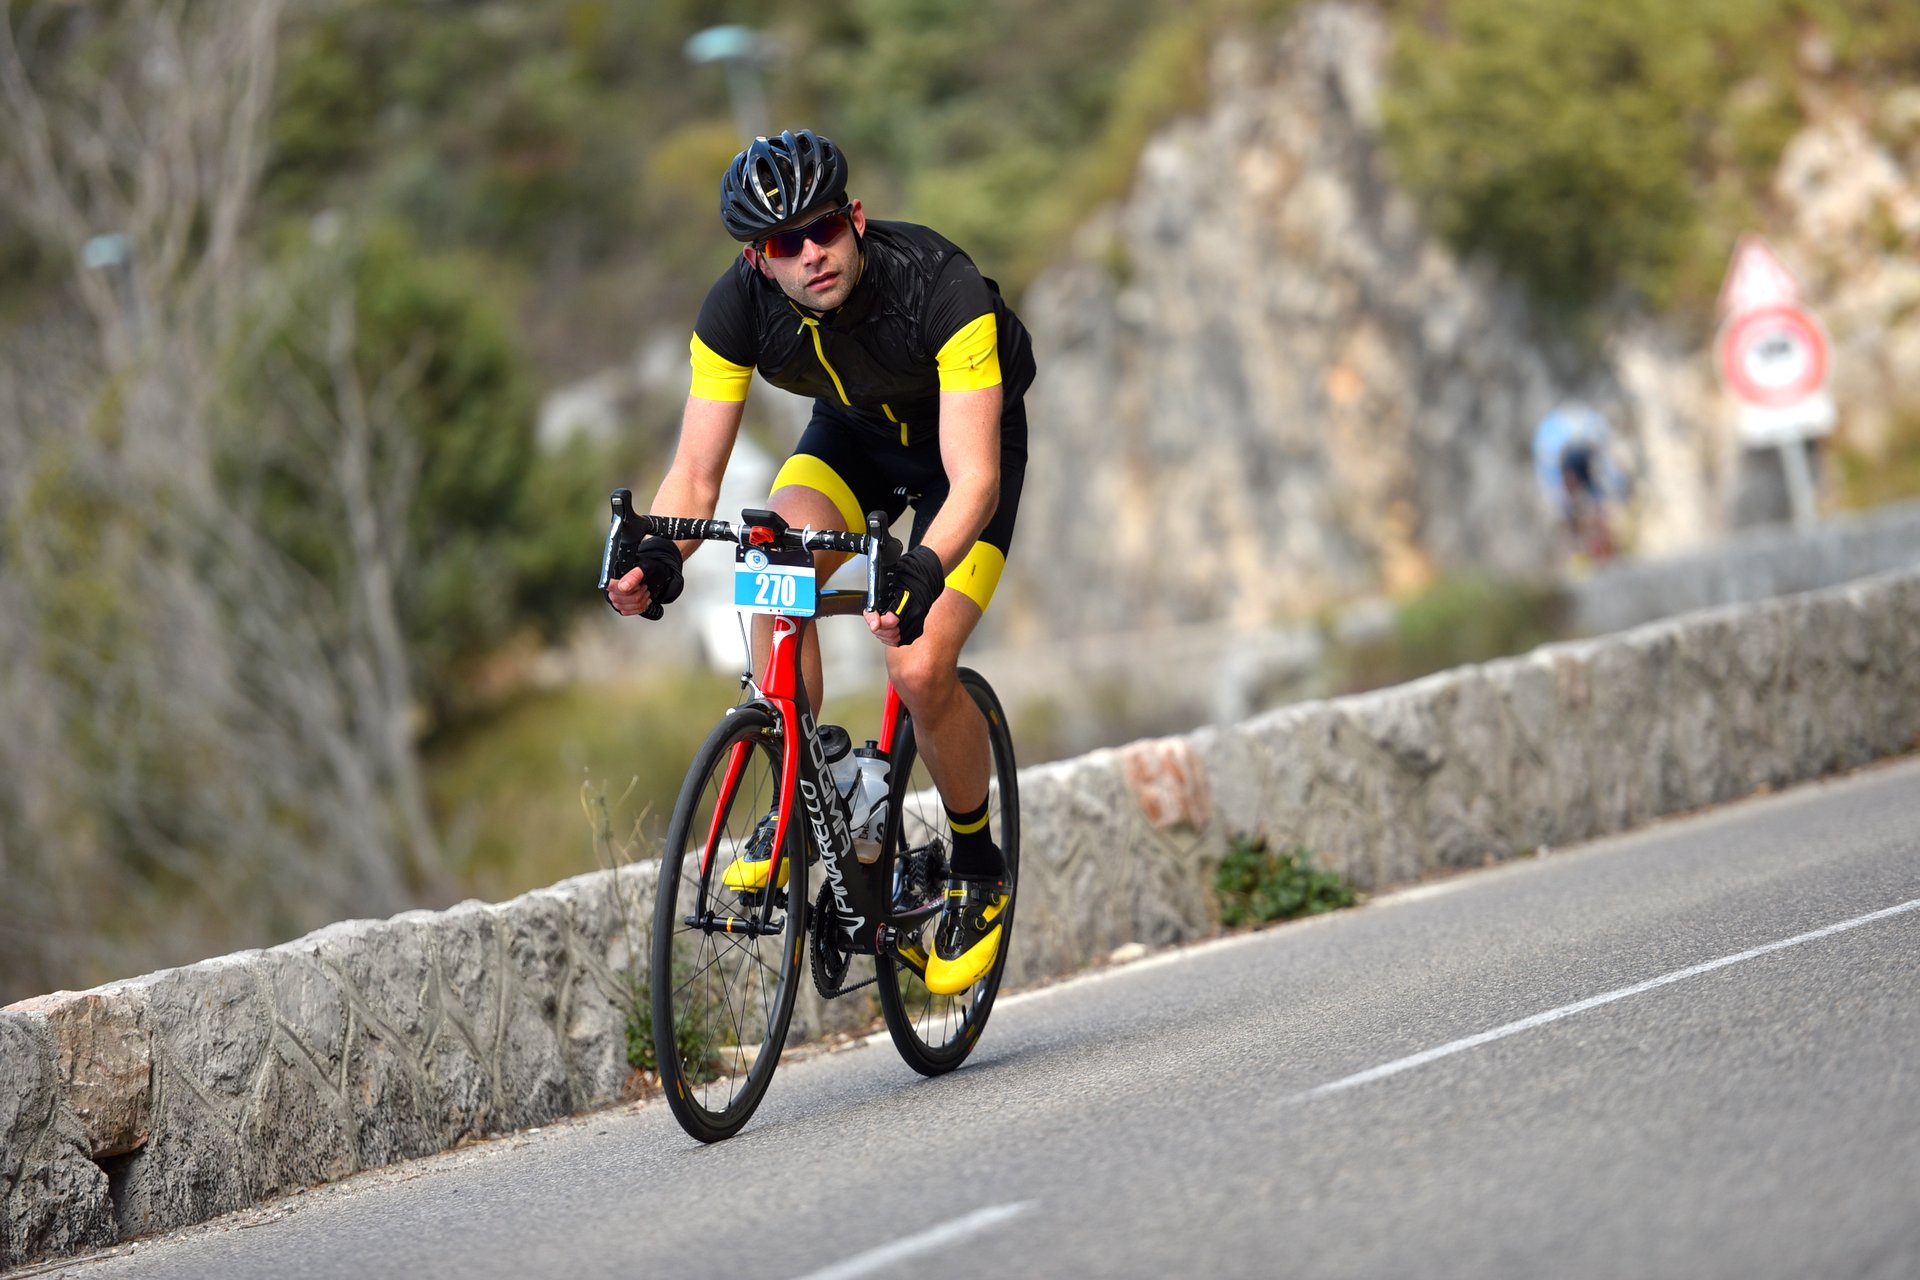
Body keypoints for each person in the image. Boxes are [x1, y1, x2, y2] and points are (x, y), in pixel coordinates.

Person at [605, 129, 1034, 998]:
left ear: (856, 220)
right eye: (782, 244)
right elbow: (695, 475)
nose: (810, 254)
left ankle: (977, 866)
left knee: (919, 662)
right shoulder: (734, 311)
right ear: (757, 261)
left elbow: (976, 481)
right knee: (774, 562)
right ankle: (805, 780)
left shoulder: (939, 285)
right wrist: (660, 553)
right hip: (851, 441)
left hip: (961, 455)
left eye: (824, 229)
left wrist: (922, 569)